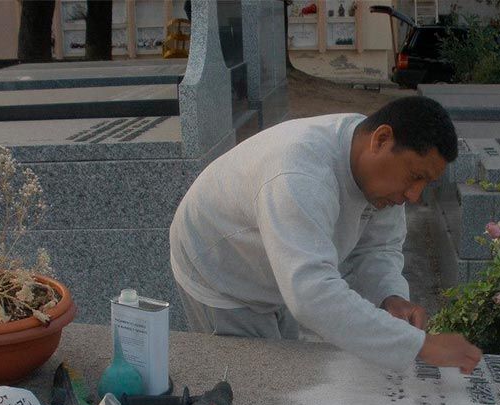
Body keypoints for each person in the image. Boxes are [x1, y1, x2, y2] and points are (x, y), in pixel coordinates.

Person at [169, 96, 482, 374]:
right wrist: (420, 346)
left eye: (425, 183)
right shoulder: (301, 174)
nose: (414, 195)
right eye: (415, 177)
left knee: (288, 366)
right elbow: (310, 294)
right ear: (381, 139)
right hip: (220, 265)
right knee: (253, 384)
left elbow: (378, 249)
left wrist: (390, 296)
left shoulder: (376, 167)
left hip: (277, 262)